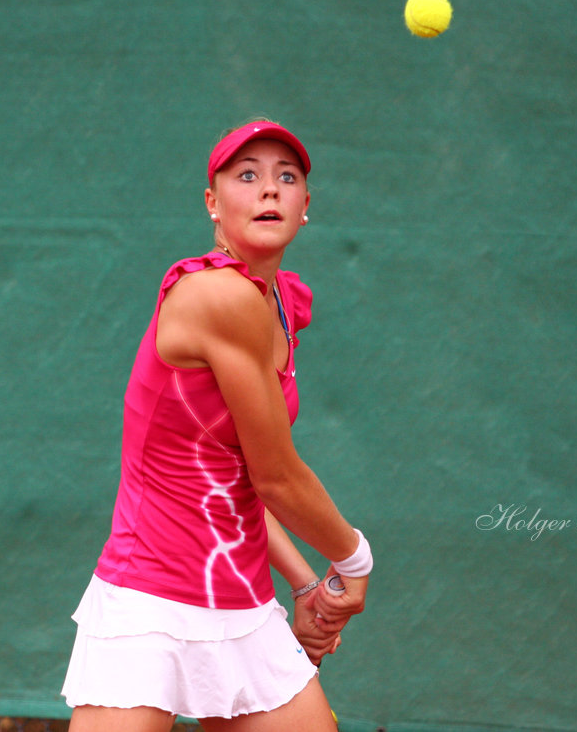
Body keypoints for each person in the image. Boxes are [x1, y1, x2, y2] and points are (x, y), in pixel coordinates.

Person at [63, 121, 373, 732]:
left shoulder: (278, 300)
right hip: (149, 600)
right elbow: (277, 476)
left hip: (240, 602)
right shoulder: (217, 297)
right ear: (212, 203)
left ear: (306, 207)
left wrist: (308, 584)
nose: (270, 191)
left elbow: (233, 477)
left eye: (288, 178)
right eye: (247, 175)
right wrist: (353, 561)